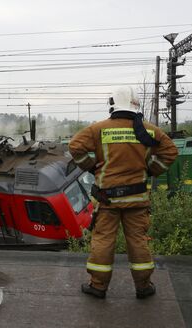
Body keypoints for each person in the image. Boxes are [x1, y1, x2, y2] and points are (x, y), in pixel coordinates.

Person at [69, 86, 178, 299]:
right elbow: (170, 152)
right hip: (137, 199)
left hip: (107, 198)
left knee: (103, 241)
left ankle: (98, 287)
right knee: (138, 241)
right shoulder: (150, 131)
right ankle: (144, 287)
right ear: (135, 105)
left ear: (113, 105)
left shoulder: (98, 129)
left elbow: (75, 147)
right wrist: (152, 169)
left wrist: (91, 166)